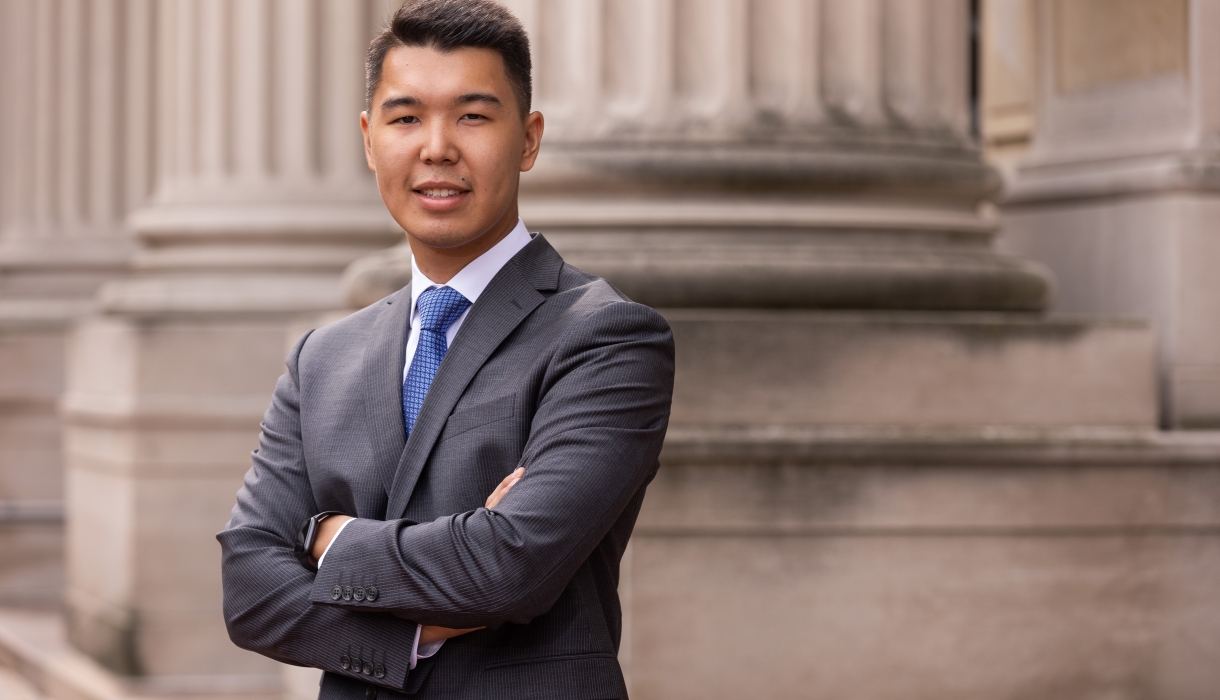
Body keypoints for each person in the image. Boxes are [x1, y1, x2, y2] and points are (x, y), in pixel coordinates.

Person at [216, 0, 675, 698]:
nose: (436, 147)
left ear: (527, 138)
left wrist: (325, 539)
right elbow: (249, 589)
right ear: (370, 141)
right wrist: (411, 633)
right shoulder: (323, 358)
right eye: (406, 118)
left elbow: (506, 569)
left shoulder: (605, 337)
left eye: (472, 115)